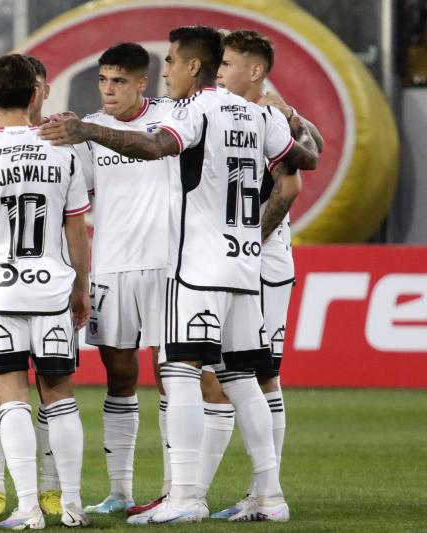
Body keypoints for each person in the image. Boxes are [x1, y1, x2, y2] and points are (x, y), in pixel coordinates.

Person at [41, 25, 318, 524]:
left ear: (195, 66)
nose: (165, 69)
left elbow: (156, 148)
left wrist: (90, 131)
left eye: (170, 60)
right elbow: (305, 161)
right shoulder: (258, 114)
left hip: (198, 267)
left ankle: (184, 496)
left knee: (180, 373)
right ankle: (271, 496)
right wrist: (293, 118)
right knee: (243, 379)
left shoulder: (196, 110)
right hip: (243, 265)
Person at [0, 54, 92, 529]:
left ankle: (28, 508)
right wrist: (81, 288)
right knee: (61, 399)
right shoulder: (63, 153)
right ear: (35, 96)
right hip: (52, 292)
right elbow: (77, 231)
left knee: (12, 401)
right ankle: (72, 505)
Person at [200, 29, 323, 520]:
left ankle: (266, 492)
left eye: (228, 64)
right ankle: (253, 491)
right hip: (236, 259)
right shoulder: (223, 113)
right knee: (232, 371)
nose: (219, 72)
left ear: (254, 71)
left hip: (263, 261)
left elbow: (297, 175)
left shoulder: (271, 115)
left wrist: (252, 239)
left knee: (263, 372)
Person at [74, 42, 175, 516]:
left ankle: (176, 489)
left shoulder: (171, 120)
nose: (108, 90)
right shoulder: (90, 131)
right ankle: (120, 491)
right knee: (119, 377)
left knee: (173, 377)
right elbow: (78, 198)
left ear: (141, 82)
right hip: (111, 267)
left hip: (165, 266)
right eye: (102, 80)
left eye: (118, 81)